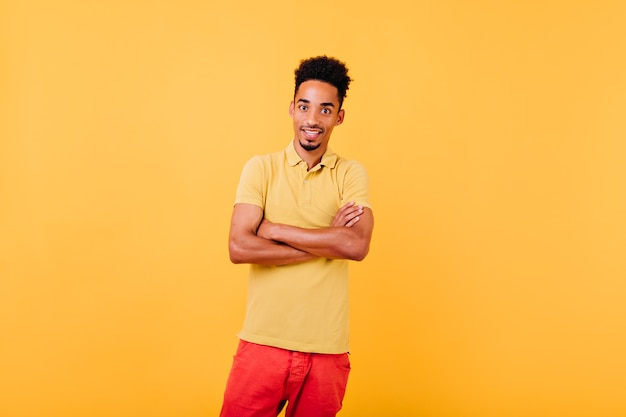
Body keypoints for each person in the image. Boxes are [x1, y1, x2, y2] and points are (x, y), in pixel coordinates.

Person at [220, 56, 374, 417]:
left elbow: (356, 245)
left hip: (327, 349)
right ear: (291, 108)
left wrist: (274, 231)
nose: (312, 119)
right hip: (263, 343)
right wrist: (329, 240)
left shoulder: (350, 173)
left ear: (339, 116)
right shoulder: (262, 168)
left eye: (325, 109)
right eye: (304, 106)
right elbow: (239, 246)